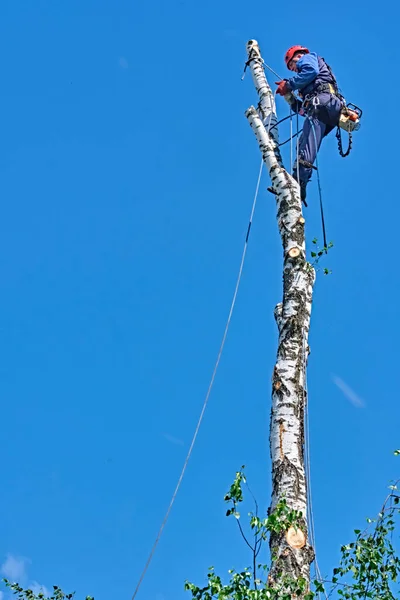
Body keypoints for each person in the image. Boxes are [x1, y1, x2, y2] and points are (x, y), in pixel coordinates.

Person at [275, 46, 343, 204]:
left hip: (324, 103)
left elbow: (310, 71)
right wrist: (290, 98)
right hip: (327, 109)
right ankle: (300, 181)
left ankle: (298, 180)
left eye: (292, 65)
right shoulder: (311, 89)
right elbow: (304, 110)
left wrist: (289, 84)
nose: (294, 70)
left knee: (306, 144)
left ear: (297, 56)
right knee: (304, 142)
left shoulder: (308, 59)